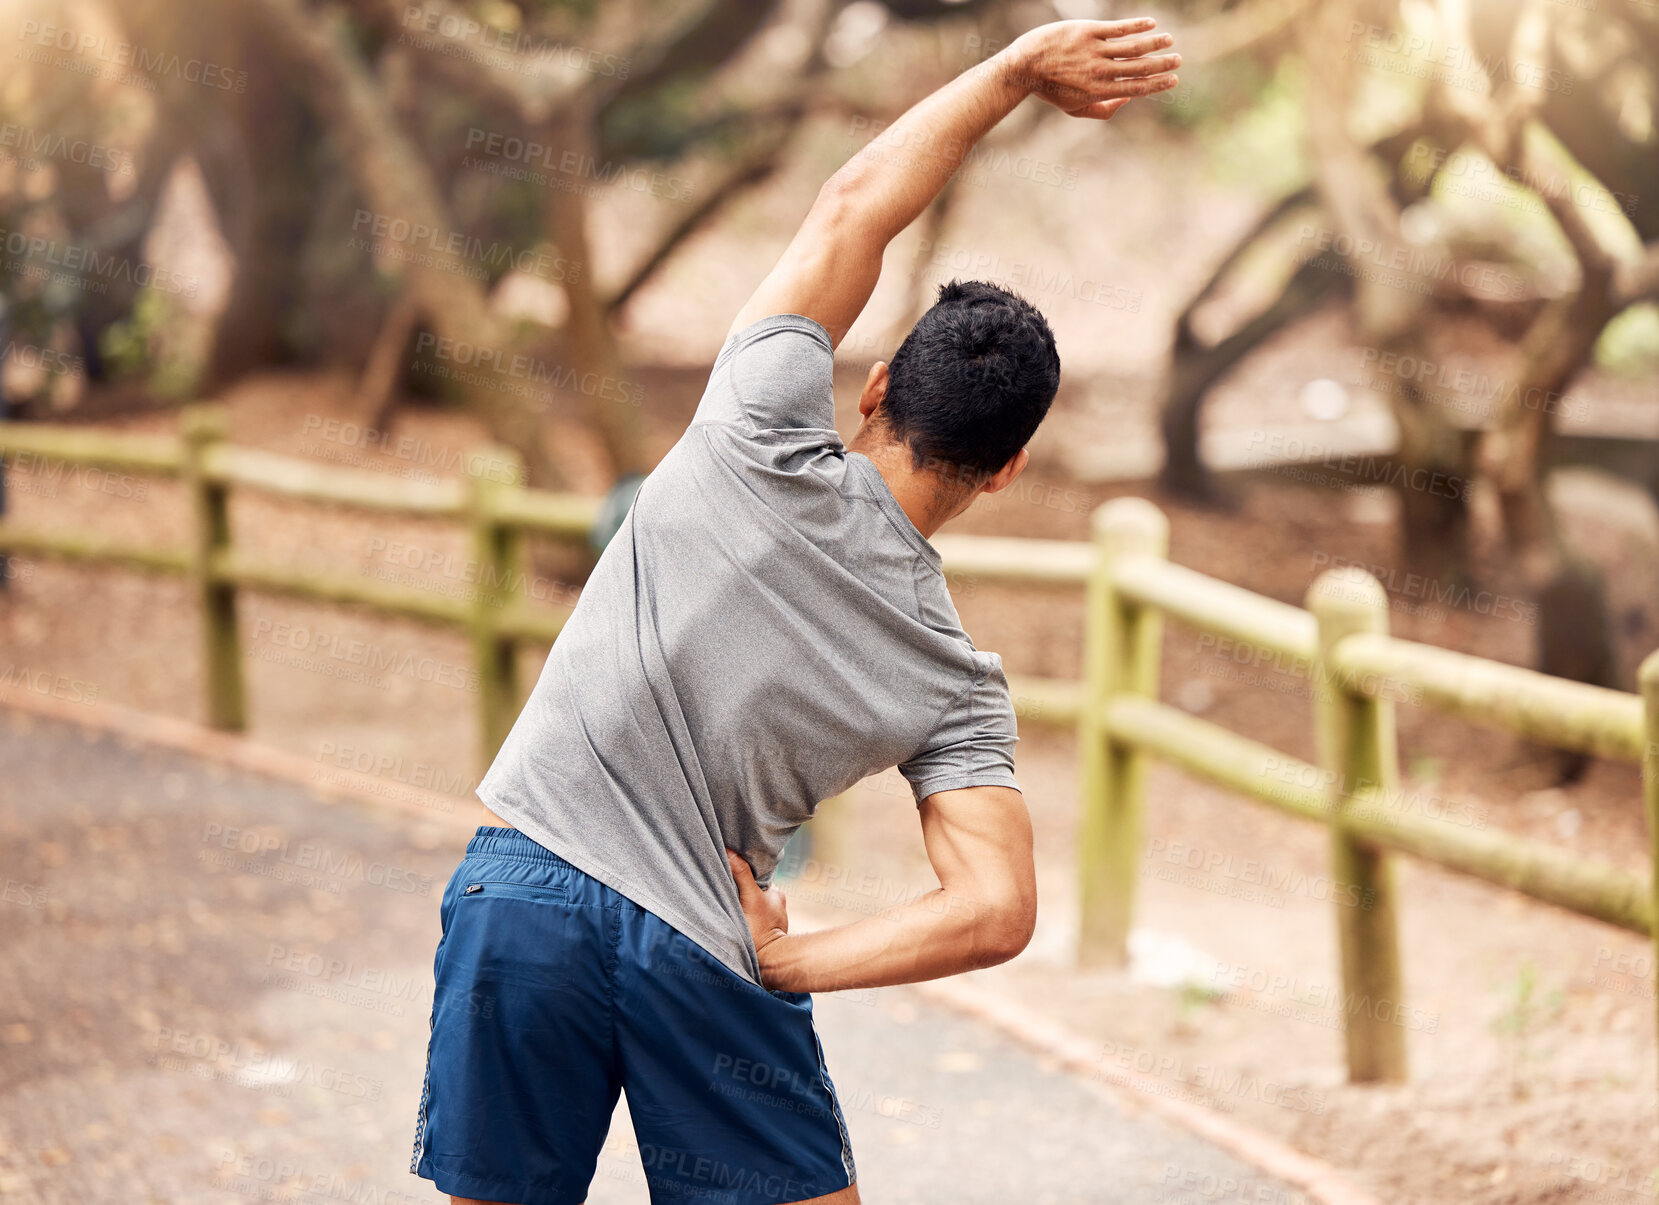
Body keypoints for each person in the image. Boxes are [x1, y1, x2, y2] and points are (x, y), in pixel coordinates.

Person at [411, 18, 1179, 1205]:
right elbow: (996, 908)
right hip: (705, 943)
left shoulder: (761, 420)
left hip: (526, 888)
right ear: (1010, 467)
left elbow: (856, 202)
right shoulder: (950, 676)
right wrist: (791, 955)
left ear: (874, 387)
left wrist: (1019, 69)